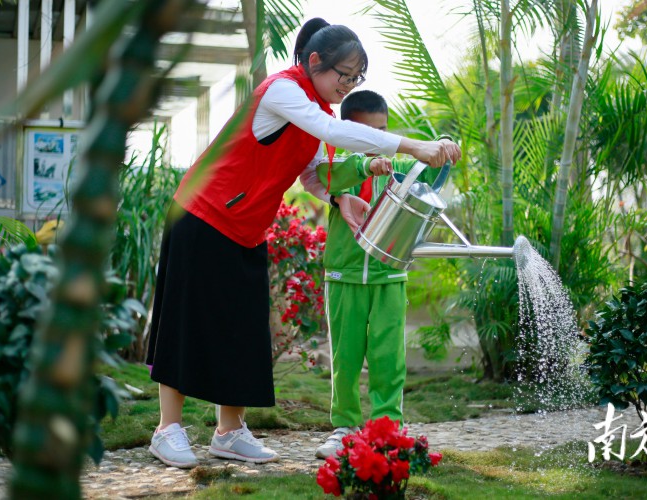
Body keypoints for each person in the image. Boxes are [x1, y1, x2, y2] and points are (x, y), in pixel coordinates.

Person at [145, 18, 462, 469]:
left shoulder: (317, 110)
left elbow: (311, 174)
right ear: (315, 62)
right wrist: (413, 147)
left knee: (243, 329)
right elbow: (333, 135)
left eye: (357, 78)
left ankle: (229, 431)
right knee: (185, 321)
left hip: (246, 226)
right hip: (202, 213)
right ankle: (167, 429)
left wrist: (340, 197)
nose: (348, 86)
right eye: (344, 75)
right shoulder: (283, 91)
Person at [310, 90, 454, 458]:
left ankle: (387, 429)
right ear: (346, 132)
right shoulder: (336, 163)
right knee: (345, 357)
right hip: (343, 275)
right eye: (368, 134)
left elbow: (431, 169)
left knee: (389, 357)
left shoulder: (397, 171)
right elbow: (322, 176)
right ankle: (344, 427)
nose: (379, 142)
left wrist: (444, 146)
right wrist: (362, 165)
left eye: (383, 132)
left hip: (390, 275)